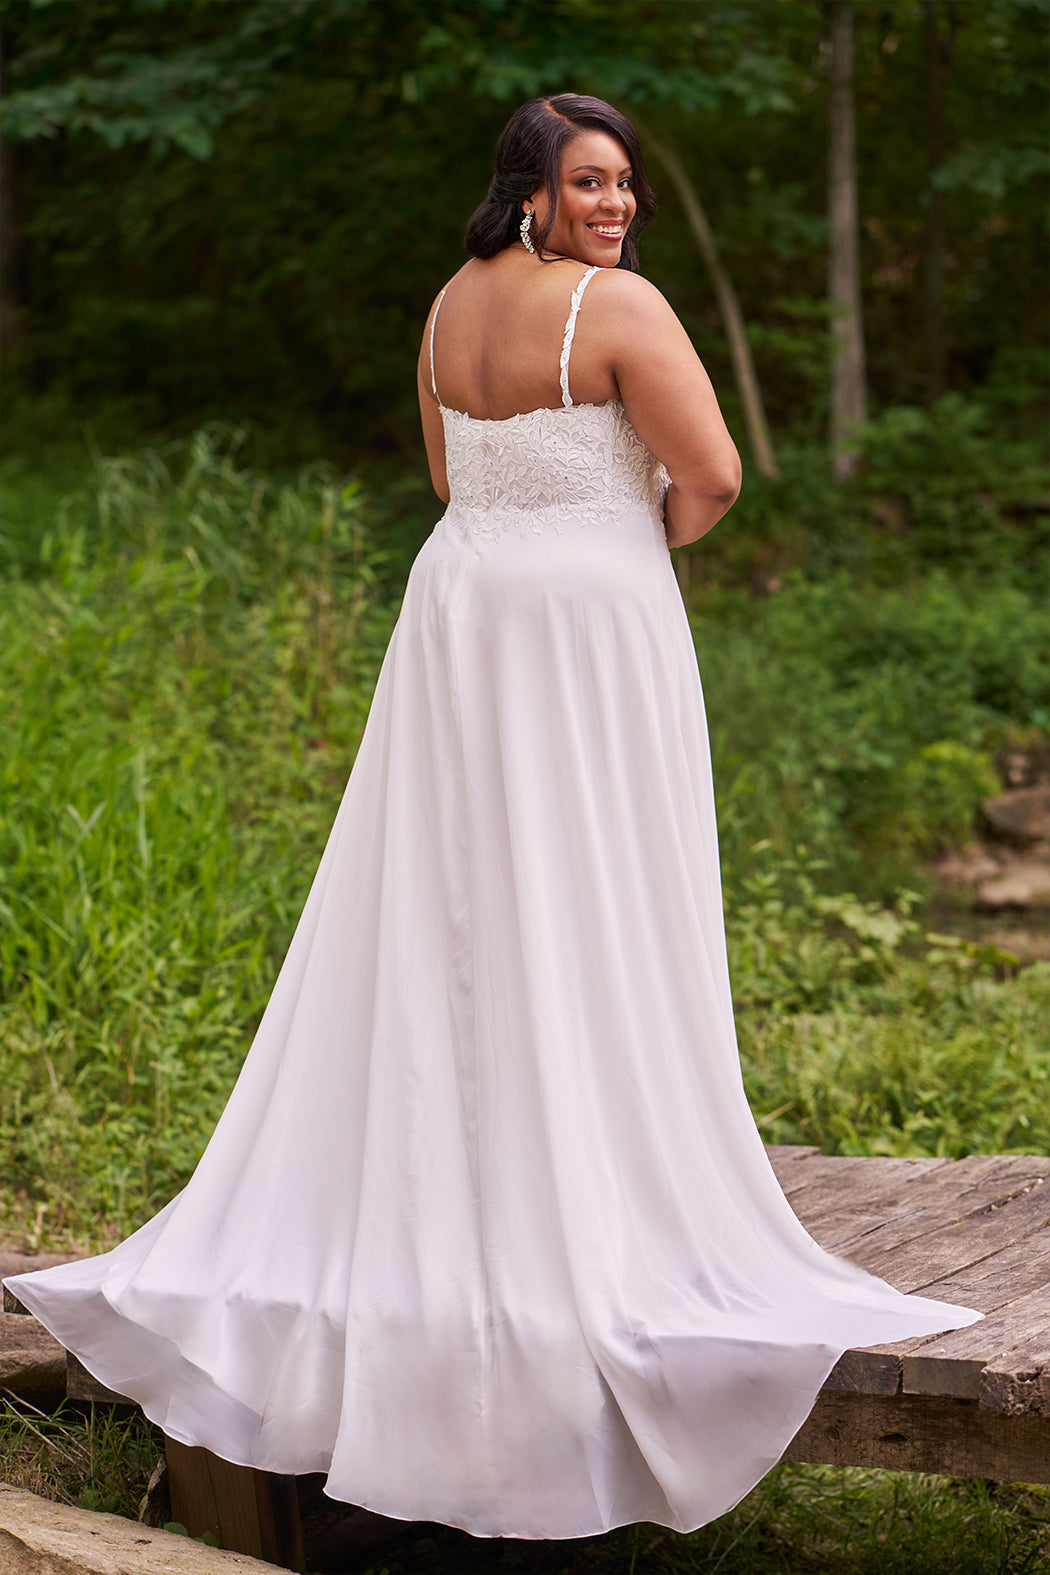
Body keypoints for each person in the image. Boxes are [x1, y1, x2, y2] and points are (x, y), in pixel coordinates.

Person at [5, 94, 979, 1542]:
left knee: (458, 897)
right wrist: (615, 536)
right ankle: (580, 1184)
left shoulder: (447, 305)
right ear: (529, 190)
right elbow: (712, 477)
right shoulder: (616, 308)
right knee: (589, 888)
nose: (616, 205)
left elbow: (449, 477)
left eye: (625, 183)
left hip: (461, 604)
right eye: (589, 182)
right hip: (585, 622)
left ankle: (462, 1177)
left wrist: (545, 529)